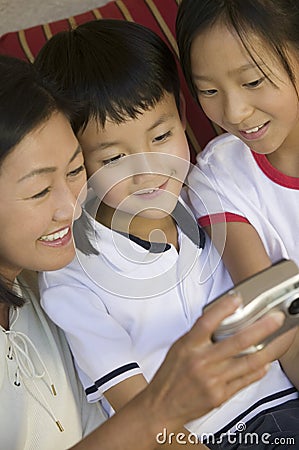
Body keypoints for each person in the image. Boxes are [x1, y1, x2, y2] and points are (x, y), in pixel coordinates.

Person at [0, 53, 287, 450]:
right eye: (113, 159)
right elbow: (135, 405)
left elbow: (276, 311)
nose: (149, 169)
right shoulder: (71, 273)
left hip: (280, 402)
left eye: (72, 171)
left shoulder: (208, 193)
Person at [176, 0, 299, 446]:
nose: (235, 112)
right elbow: (276, 317)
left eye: (252, 82)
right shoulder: (218, 179)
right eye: (207, 91)